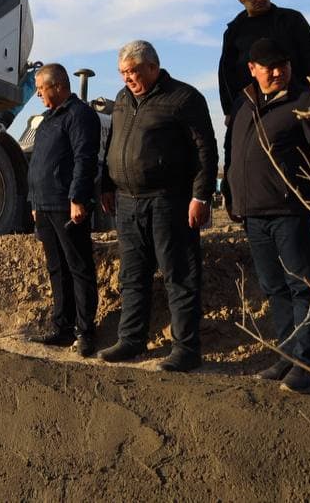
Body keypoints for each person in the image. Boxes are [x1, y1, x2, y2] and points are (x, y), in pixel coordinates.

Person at [227, 39, 310, 394]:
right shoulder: (244, 103)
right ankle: (288, 353)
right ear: (252, 69)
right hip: (255, 213)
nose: (278, 72)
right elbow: (233, 154)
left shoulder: (308, 100)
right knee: (274, 286)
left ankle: (308, 363)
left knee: (302, 285)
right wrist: (233, 201)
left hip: (294, 212)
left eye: (283, 65)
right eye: (269, 66)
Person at [99, 41, 217, 372]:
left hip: (169, 201)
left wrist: (201, 196)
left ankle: (186, 349)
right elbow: (111, 143)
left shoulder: (183, 98)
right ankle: (132, 339)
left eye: (133, 71)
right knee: (133, 275)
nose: (127, 79)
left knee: (178, 274)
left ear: (153, 66)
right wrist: (106, 184)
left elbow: (206, 149)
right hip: (127, 202)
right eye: (122, 73)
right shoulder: (122, 100)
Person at [217, 0, 310, 203]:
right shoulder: (235, 30)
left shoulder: (290, 20)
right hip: (247, 103)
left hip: (292, 98)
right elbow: (225, 71)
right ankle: (235, 201)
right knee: (237, 151)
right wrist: (230, 108)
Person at [27, 63, 101, 358]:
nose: (38, 94)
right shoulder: (47, 120)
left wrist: (78, 198)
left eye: (40, 88)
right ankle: (62, 327)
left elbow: (85, 158)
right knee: (56, 268)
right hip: (44, 206)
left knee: (79, 267)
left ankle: (86, 332)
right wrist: (34, 202)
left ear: (57, 85)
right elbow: (38, 163)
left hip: (66, 205)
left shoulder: (79, 115)